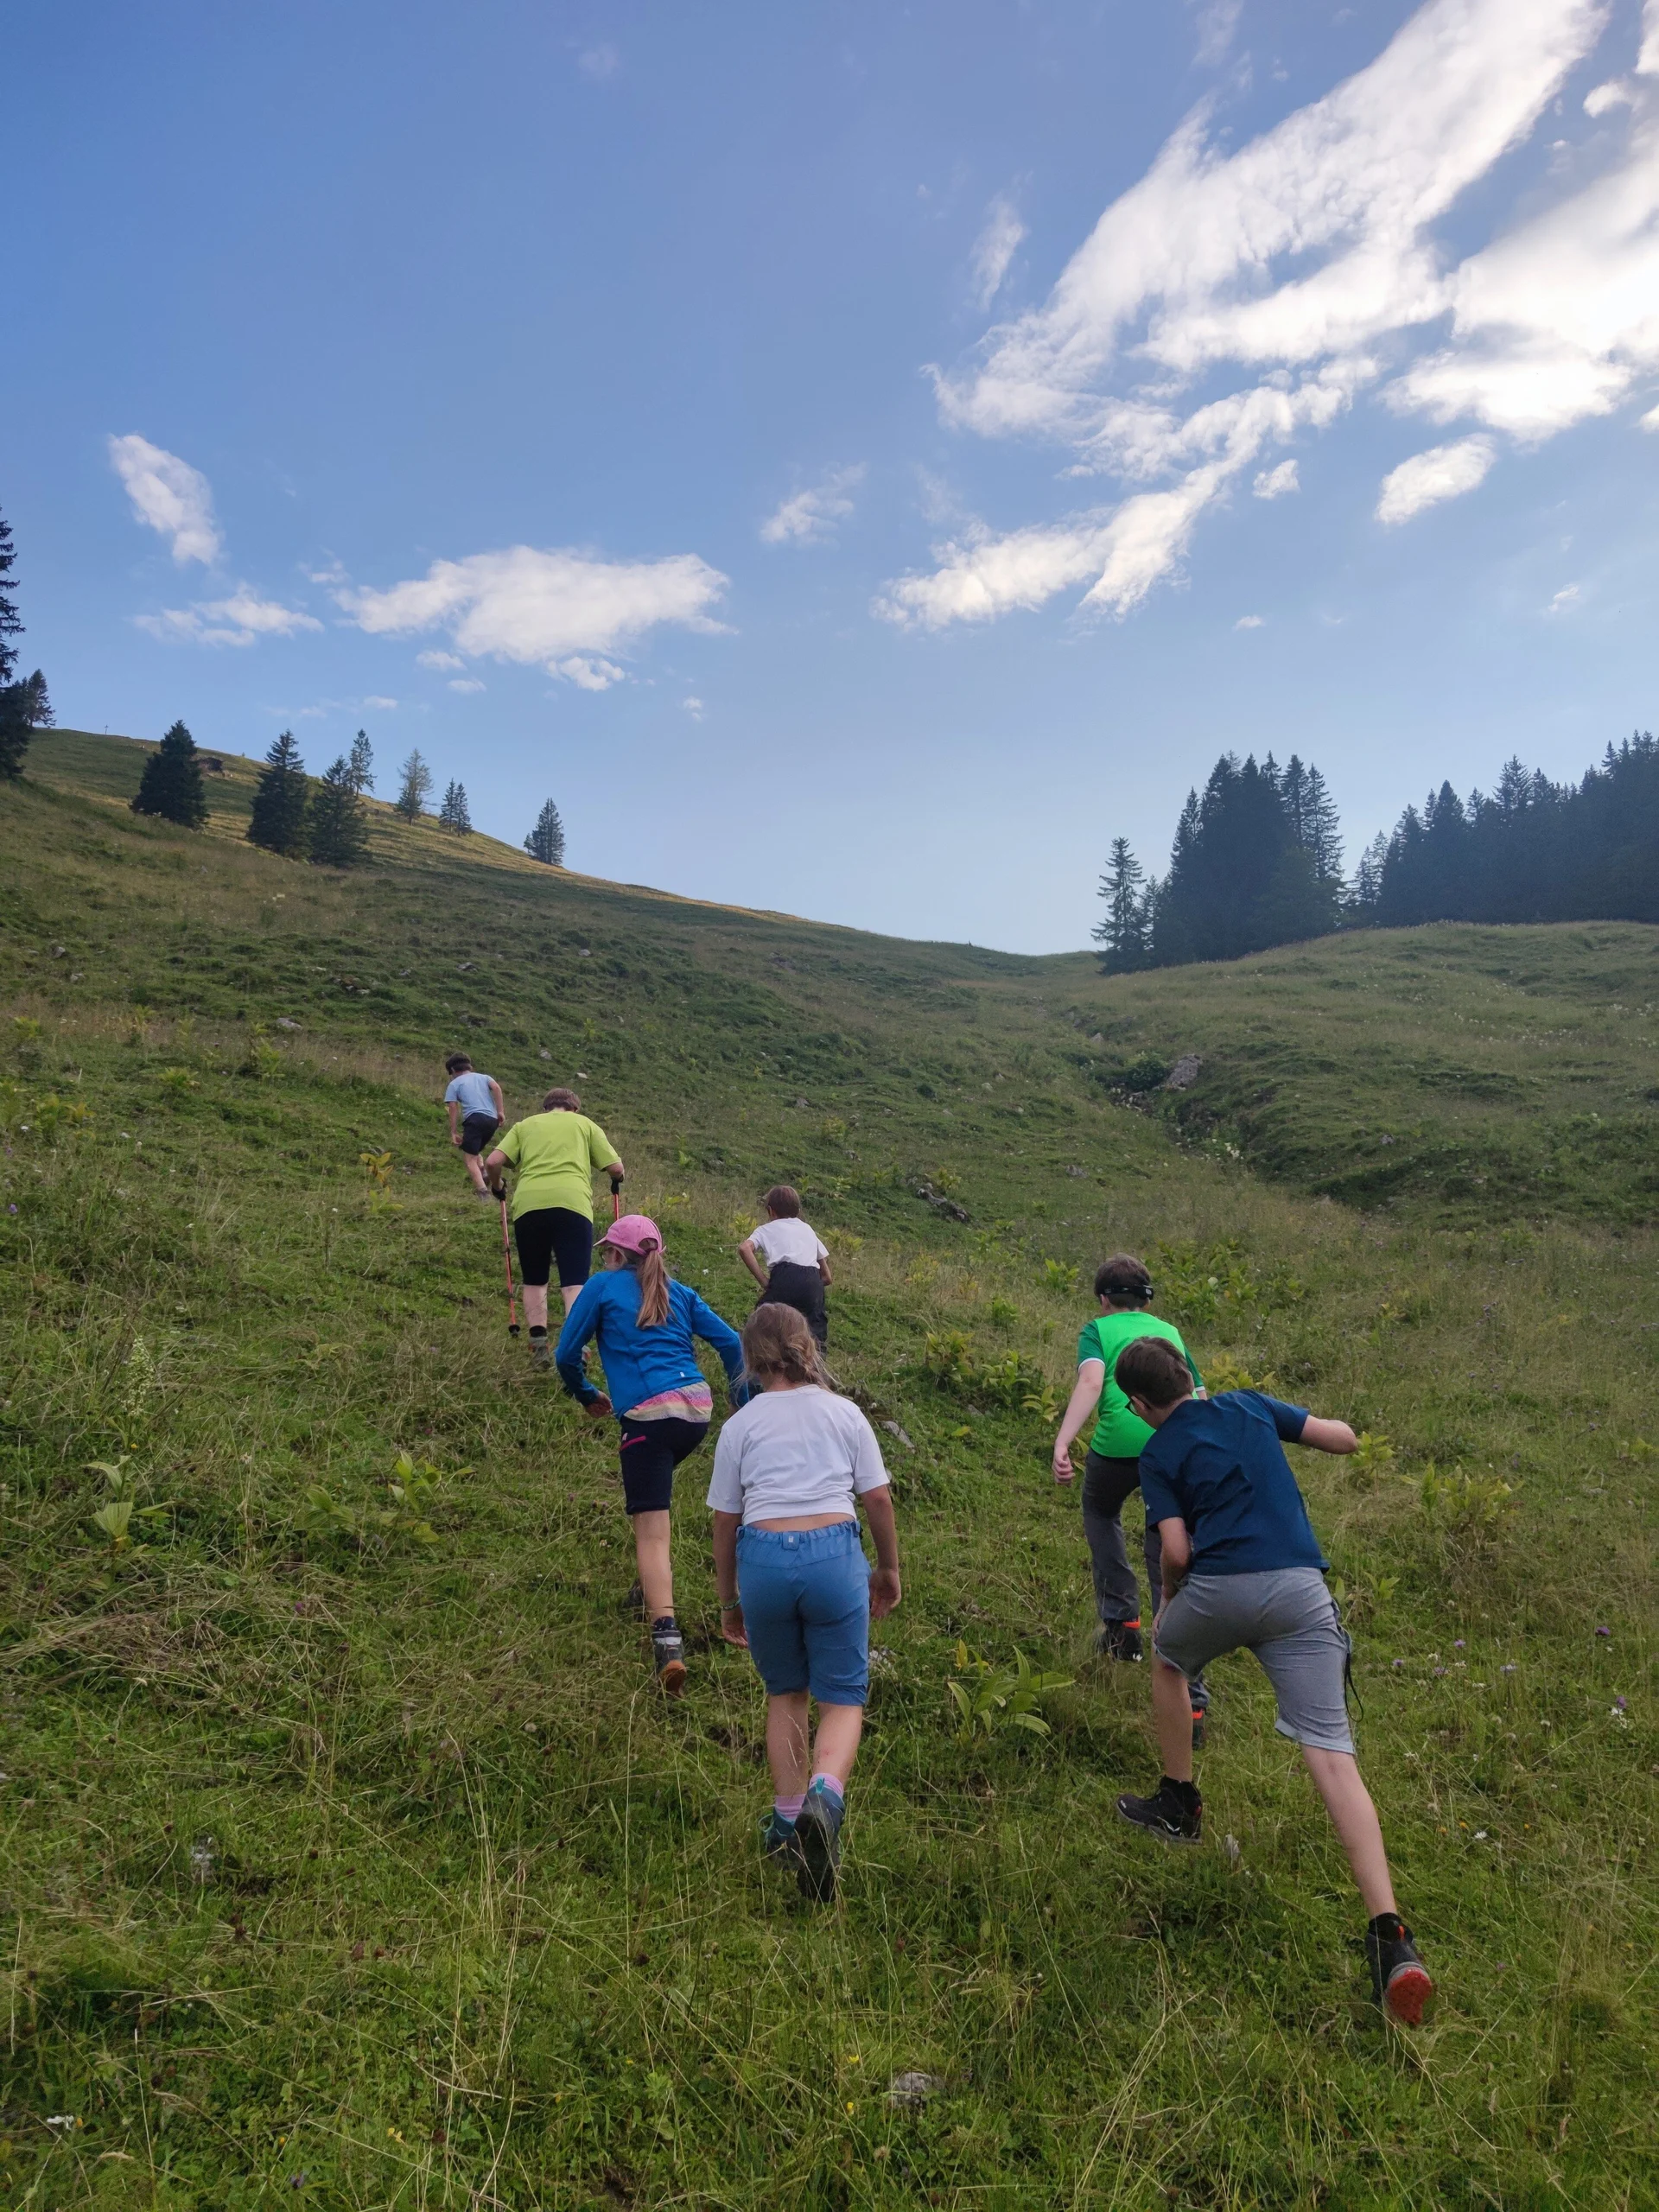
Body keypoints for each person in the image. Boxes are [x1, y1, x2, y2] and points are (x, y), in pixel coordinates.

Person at [1111, 1333, 1433, 2027]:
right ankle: (1391, 1936)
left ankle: (1180, 1802)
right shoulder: (1251, 1405)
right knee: (1333, 1759)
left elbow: (1175, 1550)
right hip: (1301, 1593)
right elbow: (1341, 1438)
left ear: (1139, 1404)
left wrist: (1170, 1600)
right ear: (1191, 1376)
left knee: (1168, 1659)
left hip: (1221, 1590)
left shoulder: (1158, 1452)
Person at [710, 1304, 900, 1903]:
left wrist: (727, 1599)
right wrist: (888, 1568)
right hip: (832, 1557)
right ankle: (826, 1795)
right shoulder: (844, 1413)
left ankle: (789, 1823)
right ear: (808, 1350)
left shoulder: (740, 1426)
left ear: (751, 1360)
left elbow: (724, 1520)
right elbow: (878, 1501)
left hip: (762, 1559)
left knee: (784, 1692)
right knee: (843, 1695)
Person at [556, 1212, 746, 1693]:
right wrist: (742, 1405)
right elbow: (731, 1343)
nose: (604, 1258)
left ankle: (667, 1642)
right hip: (695, 1415)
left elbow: (565, 1354)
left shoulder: (602, 1286)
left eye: (607, 1252)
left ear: (617, 1255)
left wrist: (585, 1393)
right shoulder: (682, 1294)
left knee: (652, 1532)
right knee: (653, 1493)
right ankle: (647, 1587)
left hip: (646, 1416)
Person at [1051, 1255, 1209, 1726]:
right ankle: (1193, 1703)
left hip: (1117, 1446)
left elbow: (1091, 1380)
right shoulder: (1169, 1332)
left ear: (1102, 1299)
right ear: (1146, 1298)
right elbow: (1198, 1393)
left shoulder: (1097, 1330)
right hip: (1173, 1442)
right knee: (1168, 1548)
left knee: (1101, 1513)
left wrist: (1064, 1440)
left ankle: (1122, 1625)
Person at [486, 1088, 624, 1363]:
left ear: (546, 1107)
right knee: (574, 1281)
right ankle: (577, 1348)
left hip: (529, 1206)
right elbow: (616, 1168)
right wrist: (618, 1177)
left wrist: (497, 1185)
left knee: (535, 1279)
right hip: (573, 1204)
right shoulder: (585, 1125)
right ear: (575, 1108)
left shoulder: (525, 1126)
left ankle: (538, 1344)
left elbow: (492, 1161)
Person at [736, 1184, 833, 1347]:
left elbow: (744, 1248)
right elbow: (827, 1277)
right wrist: (807, 1286)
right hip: (813, 1282)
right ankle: (814, 1366)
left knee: (764, 1321)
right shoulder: (807, 1229)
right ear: (798, 1211)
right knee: (814, 1334)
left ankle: (761, 1362)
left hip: (785, 1276)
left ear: (770, 1211)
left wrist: (765, 1282)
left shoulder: (765, 1230)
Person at [442, 1053, 505, 1198]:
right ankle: (482, 1171)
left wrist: (453, 1131)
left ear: (452, 1070)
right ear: (469, 1066)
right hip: (492, 1120)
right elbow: (496, 1088)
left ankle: (482, 1193)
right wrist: (500, 1111)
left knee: (469, 1158)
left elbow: (453, 1107)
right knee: (473, 1149)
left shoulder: (454, 1084)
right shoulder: (484, 1077)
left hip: (474, 1119)